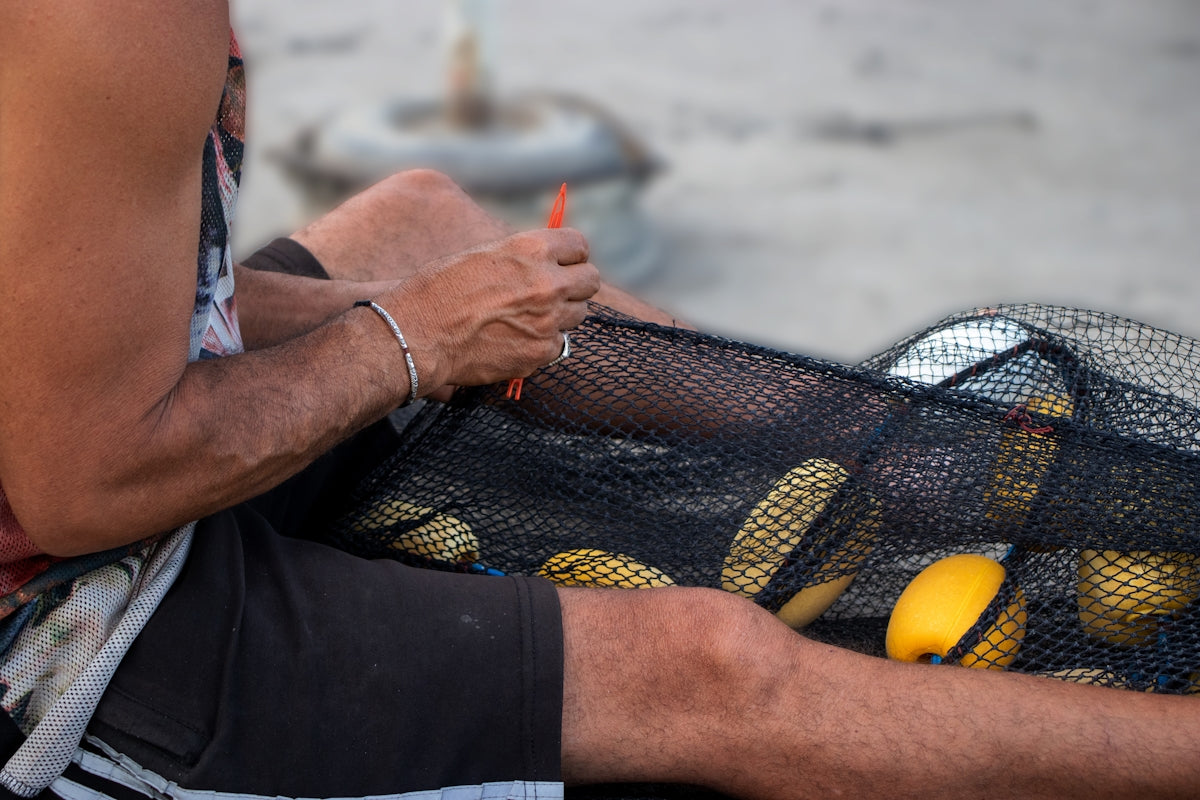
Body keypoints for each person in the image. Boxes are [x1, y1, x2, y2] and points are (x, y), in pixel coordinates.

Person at [0, 4, 1197, 799]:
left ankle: (890, 455)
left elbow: (85, 314)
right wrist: (416, 336)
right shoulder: (111, 21)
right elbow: (84, 478)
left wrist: (427, 303)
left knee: (426, 216)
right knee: (710, 662)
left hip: (73, 428)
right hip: (67, 631)